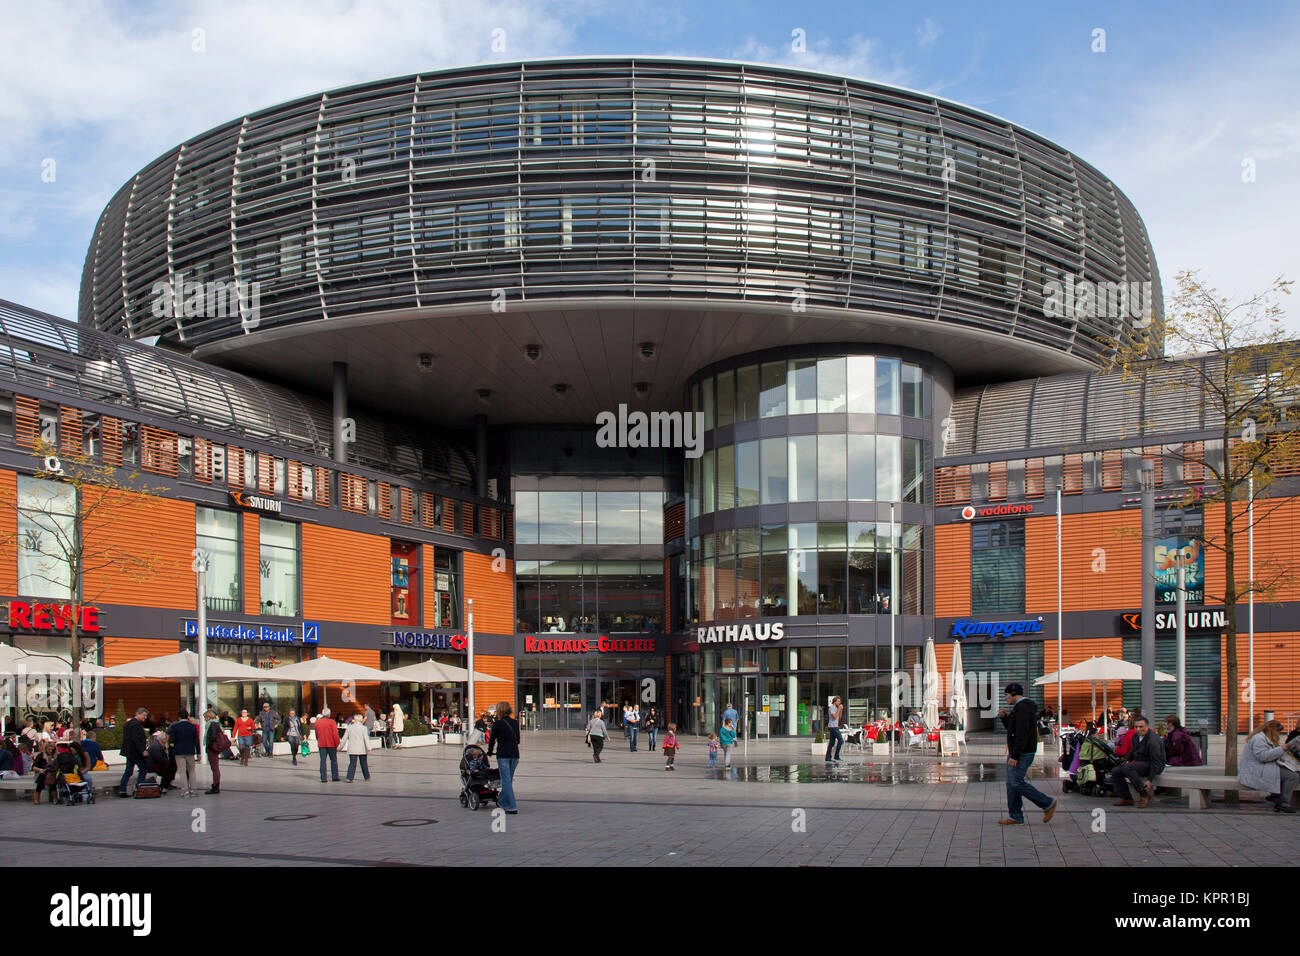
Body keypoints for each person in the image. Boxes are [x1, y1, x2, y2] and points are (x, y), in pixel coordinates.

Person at [996, 683, 1057, 825]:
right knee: (1011, 784)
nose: (1005, 698)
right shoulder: (1020, 708)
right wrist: (1004, 718)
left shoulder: (1023, 708)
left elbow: (1021, 733)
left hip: (1022, 753)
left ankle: (1047, 803)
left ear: (1014, 693)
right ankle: (1015, 815)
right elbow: (1012, 729)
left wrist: (1015, 756)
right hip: (1019, 752)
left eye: (1006, 695)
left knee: (1016, 782)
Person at [1239, 719, 1298, 813]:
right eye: (1278, 732)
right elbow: (1263, 756)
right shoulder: (1259, 739)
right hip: (1256, 770)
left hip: (1262, 767)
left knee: (1292, 771)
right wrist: (1282, 748)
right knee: (1292, 776)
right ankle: (1283, 803)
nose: (1279, 735)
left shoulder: (1263, 738)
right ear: (1272, 730)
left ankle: (1276, 796)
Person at [1110, 716, 1166, 808]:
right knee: (1116, 771)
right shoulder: (1136, 736)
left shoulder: (1152, 740)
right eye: (1136, 727)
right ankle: (1126, 798)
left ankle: (1143, 794)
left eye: (1141, 727)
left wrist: (1149, 780)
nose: (1138, 729)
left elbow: (1156, 761)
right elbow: (1133, 750)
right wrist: (1126, 759)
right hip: (1140, 763)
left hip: (1153, 765)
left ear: (1147, 726)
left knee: (1128, 767)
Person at [486, 701, 520, 815]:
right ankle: (502, 801)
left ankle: (511, 806)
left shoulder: (498, 724)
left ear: (499, 710)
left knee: (506, 781)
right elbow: (518, 740)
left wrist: (490, 751)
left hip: (503, 755)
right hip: (515, 754)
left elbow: (492, 740)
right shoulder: (515, 723)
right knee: (508, 780)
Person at [117, 707, 151, 797]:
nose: (145, 717)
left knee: (128, 771)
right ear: (138, 714)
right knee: (143, 769)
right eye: (144, 715)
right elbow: (136, 739)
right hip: (136, 752)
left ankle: (122, 790)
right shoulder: (136, 725)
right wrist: (142, 750)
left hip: (129, 752)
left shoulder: (128, 724)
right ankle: (140, 789)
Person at [168, 709, 202, 797]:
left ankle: (185, 790)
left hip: (178, 752)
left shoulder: (175, 727)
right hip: (190, 751)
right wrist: (199, 753)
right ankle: (193, 790)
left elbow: (171, 740)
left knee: (182, 771)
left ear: (178, 717)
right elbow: (196, 741)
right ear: (187, 717)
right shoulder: (193, 727)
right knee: (192, 770)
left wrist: (171, 750)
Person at [343, 714, 372, 782]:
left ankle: (349, 777)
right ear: (361, 720)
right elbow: (366, 738)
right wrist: (369, 747)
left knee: (352, 763)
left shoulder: (349, 727)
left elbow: (344, 738)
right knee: (364, 763)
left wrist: (339, 747)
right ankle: (367, 777)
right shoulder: (363, 728)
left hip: (352, 748)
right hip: (362, 748)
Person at [315, 708, 341, 782]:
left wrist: (319, 740)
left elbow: (317, 734)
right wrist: (337, 743)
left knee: (323, 761)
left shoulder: (318, 722)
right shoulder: (332, 722)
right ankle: (335, 776)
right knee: (333, 760)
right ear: (329, 714)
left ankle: (323, 778)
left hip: (322, 744)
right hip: (331, 744)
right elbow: (335, 734)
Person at [203, 710, 225, 794]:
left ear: (208, 717)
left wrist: (209, 746)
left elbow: (212, 737)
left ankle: (216, 786)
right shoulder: (216, 723)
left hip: (212, 748)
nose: (205, 719)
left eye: (205, 717)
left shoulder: (212, 724)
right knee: (215, 767)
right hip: (215, 747)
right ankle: (215, 785)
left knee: (214, 767)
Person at [826, 696, 845, 763]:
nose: (839, 703)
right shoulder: (832, 708)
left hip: (835, 726)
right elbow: (834, 717)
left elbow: (839, 718)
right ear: (835, 701)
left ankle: (828, 757)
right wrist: (839, 709)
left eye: (840, 701)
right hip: (833, 727)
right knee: (841, 740)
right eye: (838, 701)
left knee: (832, 742)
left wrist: (841, 710)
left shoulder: (836, 708)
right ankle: (836, 756)